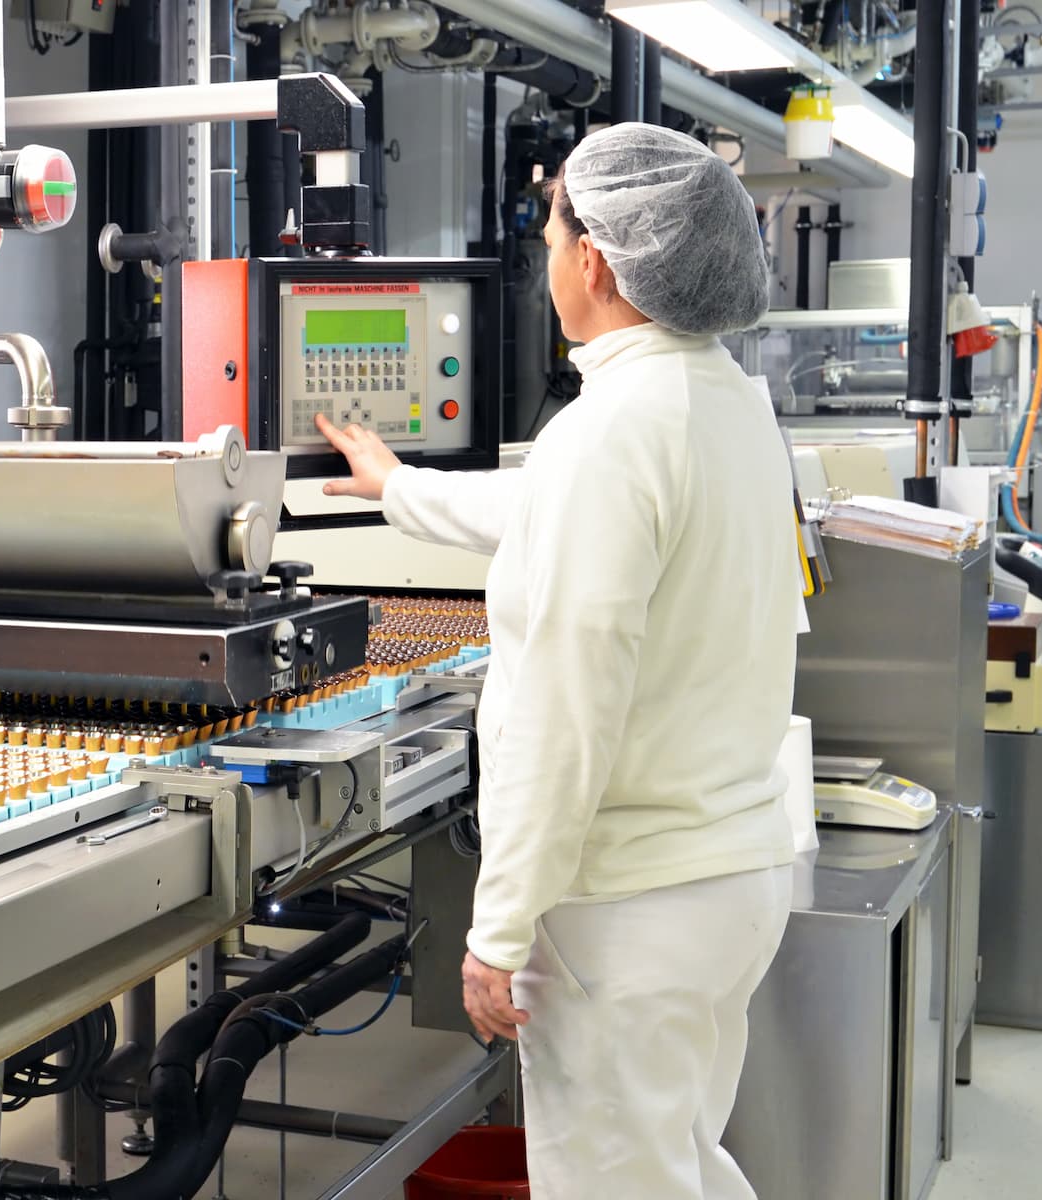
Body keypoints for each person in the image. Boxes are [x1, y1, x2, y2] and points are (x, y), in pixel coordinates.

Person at [316, 123, 799, 1199]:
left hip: (629, 907)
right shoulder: (717, 402)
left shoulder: (612, 429)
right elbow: (558, 516)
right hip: (726, 877)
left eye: (547, 234)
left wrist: (497, 929)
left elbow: (562, 712)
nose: (544, 259)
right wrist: (397, 485)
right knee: (675, 1161)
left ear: (594, 259)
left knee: (617, 1182)